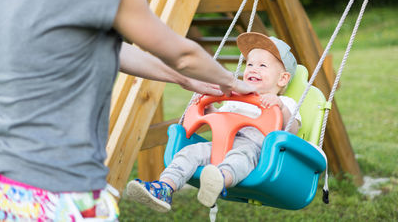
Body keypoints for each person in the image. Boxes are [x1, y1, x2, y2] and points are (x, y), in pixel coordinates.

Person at [0, 0, 256, 220]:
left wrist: (184, 80)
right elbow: (183, 56)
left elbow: (110, 48)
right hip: (61, 188)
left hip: (6, 185)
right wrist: (231, 81)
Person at [127, 32, 302, 213]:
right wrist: (209, 110)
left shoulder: (285, 103)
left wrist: (280, 108)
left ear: (282, 79)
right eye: (250, 64)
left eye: (262, 65)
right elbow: (222, 118)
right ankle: (164, 188)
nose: (253, 69)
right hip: (219, 146)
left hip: (255, 152)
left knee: (240, 157)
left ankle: (218, 180)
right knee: (189, 152)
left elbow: (292, 131)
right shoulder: (237, 99)